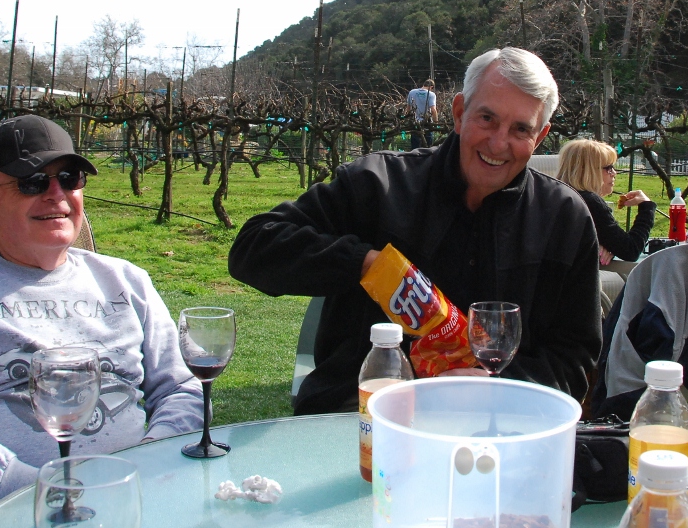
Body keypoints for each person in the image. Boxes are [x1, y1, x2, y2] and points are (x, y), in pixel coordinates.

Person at [230, 47, 601, 414]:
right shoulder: (377, 184)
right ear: (458, 113)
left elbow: (575, 358)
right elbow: (253, 248)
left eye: (520, 128)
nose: (499, 143)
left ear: (540, 136)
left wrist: (500, 387)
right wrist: (366, 264)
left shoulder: (565, 219)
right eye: (486, 118)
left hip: (495, 426)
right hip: (359, 415)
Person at [0, 116, 203, 513]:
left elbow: (183, 387)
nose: (56, 194)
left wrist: (151, 459)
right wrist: (42, 488)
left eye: (69, 178)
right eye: (32, 182)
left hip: (137, 495)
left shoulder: (125, 280)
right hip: (14, 511)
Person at [555, 139, 656, 315]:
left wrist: (601, 243)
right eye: (608, 168)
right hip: (576, 302)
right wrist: (646, 207)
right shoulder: (589, 202)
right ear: (589, 170)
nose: (614, 173)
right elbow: (631, 250)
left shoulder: (557, 194)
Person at [407, 79, 438, 149]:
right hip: (427, 124)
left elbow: (408, 108)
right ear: (431, 87)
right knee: (428, 148)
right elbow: (433, 110)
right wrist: (436, 123)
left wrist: (407, 119)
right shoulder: (431, 94)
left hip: (415, 124)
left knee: (415, 148)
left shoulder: (412, 92)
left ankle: (414, 159)